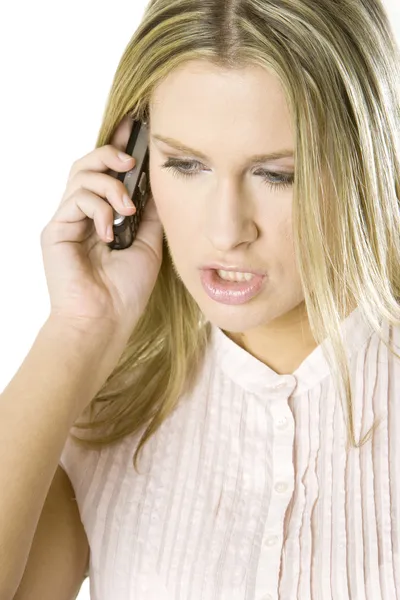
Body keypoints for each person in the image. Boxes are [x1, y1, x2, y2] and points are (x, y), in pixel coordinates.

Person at [1, 0, 400, 598]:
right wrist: (78, 330)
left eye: (277, 175)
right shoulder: (111, 409)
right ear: (133, 164)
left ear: (363, 162)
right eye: (185, 164)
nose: (225, 230)